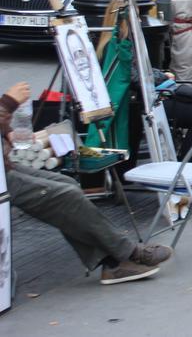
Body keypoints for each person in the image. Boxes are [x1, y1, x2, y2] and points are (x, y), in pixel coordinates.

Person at [3, 82, 175, 284]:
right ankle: (129, 253)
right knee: (67, 196)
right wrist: (8, 102)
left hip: (4, 165)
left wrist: (7, 132)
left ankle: (111, 263)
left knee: (68, 184)